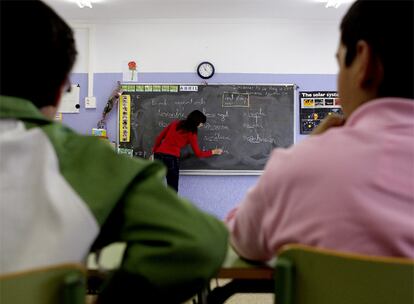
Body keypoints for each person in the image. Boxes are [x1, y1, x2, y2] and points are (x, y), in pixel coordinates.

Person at [0, 1, 228, 303]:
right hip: (168, 161)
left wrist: (153, 151)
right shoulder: (87, 161)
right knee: (168, 194)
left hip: (159, 153)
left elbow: (160, 137)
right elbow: (201, 241)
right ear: (59, 90)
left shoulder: (174, 124)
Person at [226, 0, 414, 261]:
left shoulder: (297, 166)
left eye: (340, 64)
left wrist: (305, 152)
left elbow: (242, 241)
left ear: (364, 61)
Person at [153, 110, 223, 192]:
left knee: (154, 185)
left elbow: (159, 137)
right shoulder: (192, 133)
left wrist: (155, 151)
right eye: (201, 123)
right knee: (172, 189)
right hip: (171, 158)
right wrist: (213, 152)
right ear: (197, 122)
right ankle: (170, 205)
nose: (201, 125)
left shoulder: (175, 123)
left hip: (158, 155)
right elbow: (198, 153)